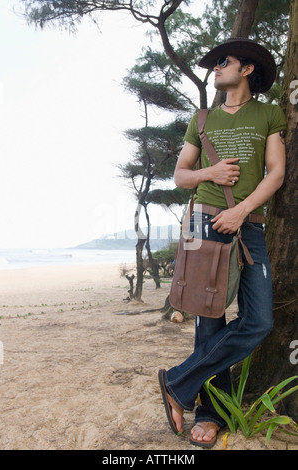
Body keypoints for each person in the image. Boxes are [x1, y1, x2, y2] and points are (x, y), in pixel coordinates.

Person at [158, 37, 287, 448]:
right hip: (203, 224)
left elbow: (276, 172)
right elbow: (181, 175)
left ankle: (177, 381)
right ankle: (211, 413)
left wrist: (241, 210)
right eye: (215, 64)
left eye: (223, 62)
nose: (216, 68)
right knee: (208, 321)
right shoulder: (202, 119)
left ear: (246, 69)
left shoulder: (269, 113)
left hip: (247, 225)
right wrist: (209, 175)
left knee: (259, 320)